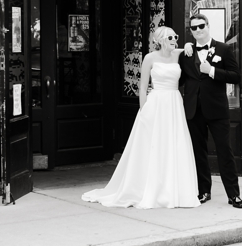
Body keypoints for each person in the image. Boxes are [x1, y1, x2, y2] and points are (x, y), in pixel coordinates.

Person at [82, 26, 200, 209]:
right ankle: (148, 188)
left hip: (174, 103)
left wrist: (189, 43)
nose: (174, 39)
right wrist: (144, 111)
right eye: (171, 37)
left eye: (175, 37)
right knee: (152, 145)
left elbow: (190, 46)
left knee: (173, 144)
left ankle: (173, 190)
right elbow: (143, 88)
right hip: (156, 103)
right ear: (160, 40)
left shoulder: (177, 54)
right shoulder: (149, 58)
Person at [180, 12, 242, 208]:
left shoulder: (224, 49)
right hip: (193, 110)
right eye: (194, 28)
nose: (198, 30)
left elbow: (236, 76)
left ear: (208, 26)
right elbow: (181, 79)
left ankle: (233, 195)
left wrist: (212, 71)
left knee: (225, 151)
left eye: (201, 26)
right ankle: (203, 191)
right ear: (191, 31)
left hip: (217, 110)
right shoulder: (186, 54)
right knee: (198, 153)